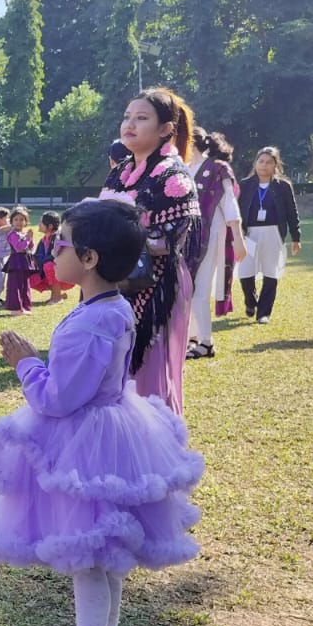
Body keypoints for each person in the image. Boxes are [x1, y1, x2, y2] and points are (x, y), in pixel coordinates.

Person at [0, 199, 203, 626]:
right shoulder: (110, 308)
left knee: (89, 559)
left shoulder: (91, 322)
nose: (53, 251)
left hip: (85, 445)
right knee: (103, 556)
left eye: (61, 244)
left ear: (90, 258)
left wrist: (26, 363)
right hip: (114, 432)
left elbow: (58, 398)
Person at [101, 88, 202, 415]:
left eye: (141, 118)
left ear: (165, 129)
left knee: (148, 378)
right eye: (127, 117)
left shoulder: (174, 176)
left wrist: (112, 241)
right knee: (112, 374)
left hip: (157, 286)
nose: (129, 124)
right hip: (114, 283)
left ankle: (155, 441)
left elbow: (170, 240)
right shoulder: (120, 171)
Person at [184, 128, 246, 359]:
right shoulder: (184, 169)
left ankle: (206, 342)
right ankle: (192, 336)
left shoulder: (217, 169)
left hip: (209, 235)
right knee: (188, 288)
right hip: (186, 237)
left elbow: (230, 203)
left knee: (199, 288)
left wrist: (238, 238)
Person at [235, 146, 301, 324]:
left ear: (275, 165)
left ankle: (264, 313)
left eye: (269, 162)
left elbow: (292, 212)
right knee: (245, 272)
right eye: (261, 161)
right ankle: (251, 301)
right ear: (255, 163)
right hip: (249, 234)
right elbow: (236, 210)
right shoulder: (244, 185)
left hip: (273, 232)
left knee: (271, 273)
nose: (264, 165)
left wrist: (296, 237)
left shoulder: (283, 187)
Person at [29, 211, 75, 306]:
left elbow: (57, 256)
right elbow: (37, 257)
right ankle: (57, 293)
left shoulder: (59, 237)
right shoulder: (43, 240)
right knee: (29, 273)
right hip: (50, 272)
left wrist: (42, 262)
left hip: (66, 275)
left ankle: (57, 297)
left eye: (41, 222)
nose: (39, 224)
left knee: (49, 265)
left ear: (50, 226)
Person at [1, 208, 36, 315]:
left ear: (26, 222)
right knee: (15, 285)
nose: (19, 222)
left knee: (25, 285)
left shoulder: (24, 233)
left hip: (25, 262)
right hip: (16, 262)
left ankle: (24, 307)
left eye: (22, 219)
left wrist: (30, 238)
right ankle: (15, 309)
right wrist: (28, 239)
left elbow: (31, 248)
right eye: (16, 219)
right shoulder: (13, 234)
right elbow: (19, 248)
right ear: (11, 221)